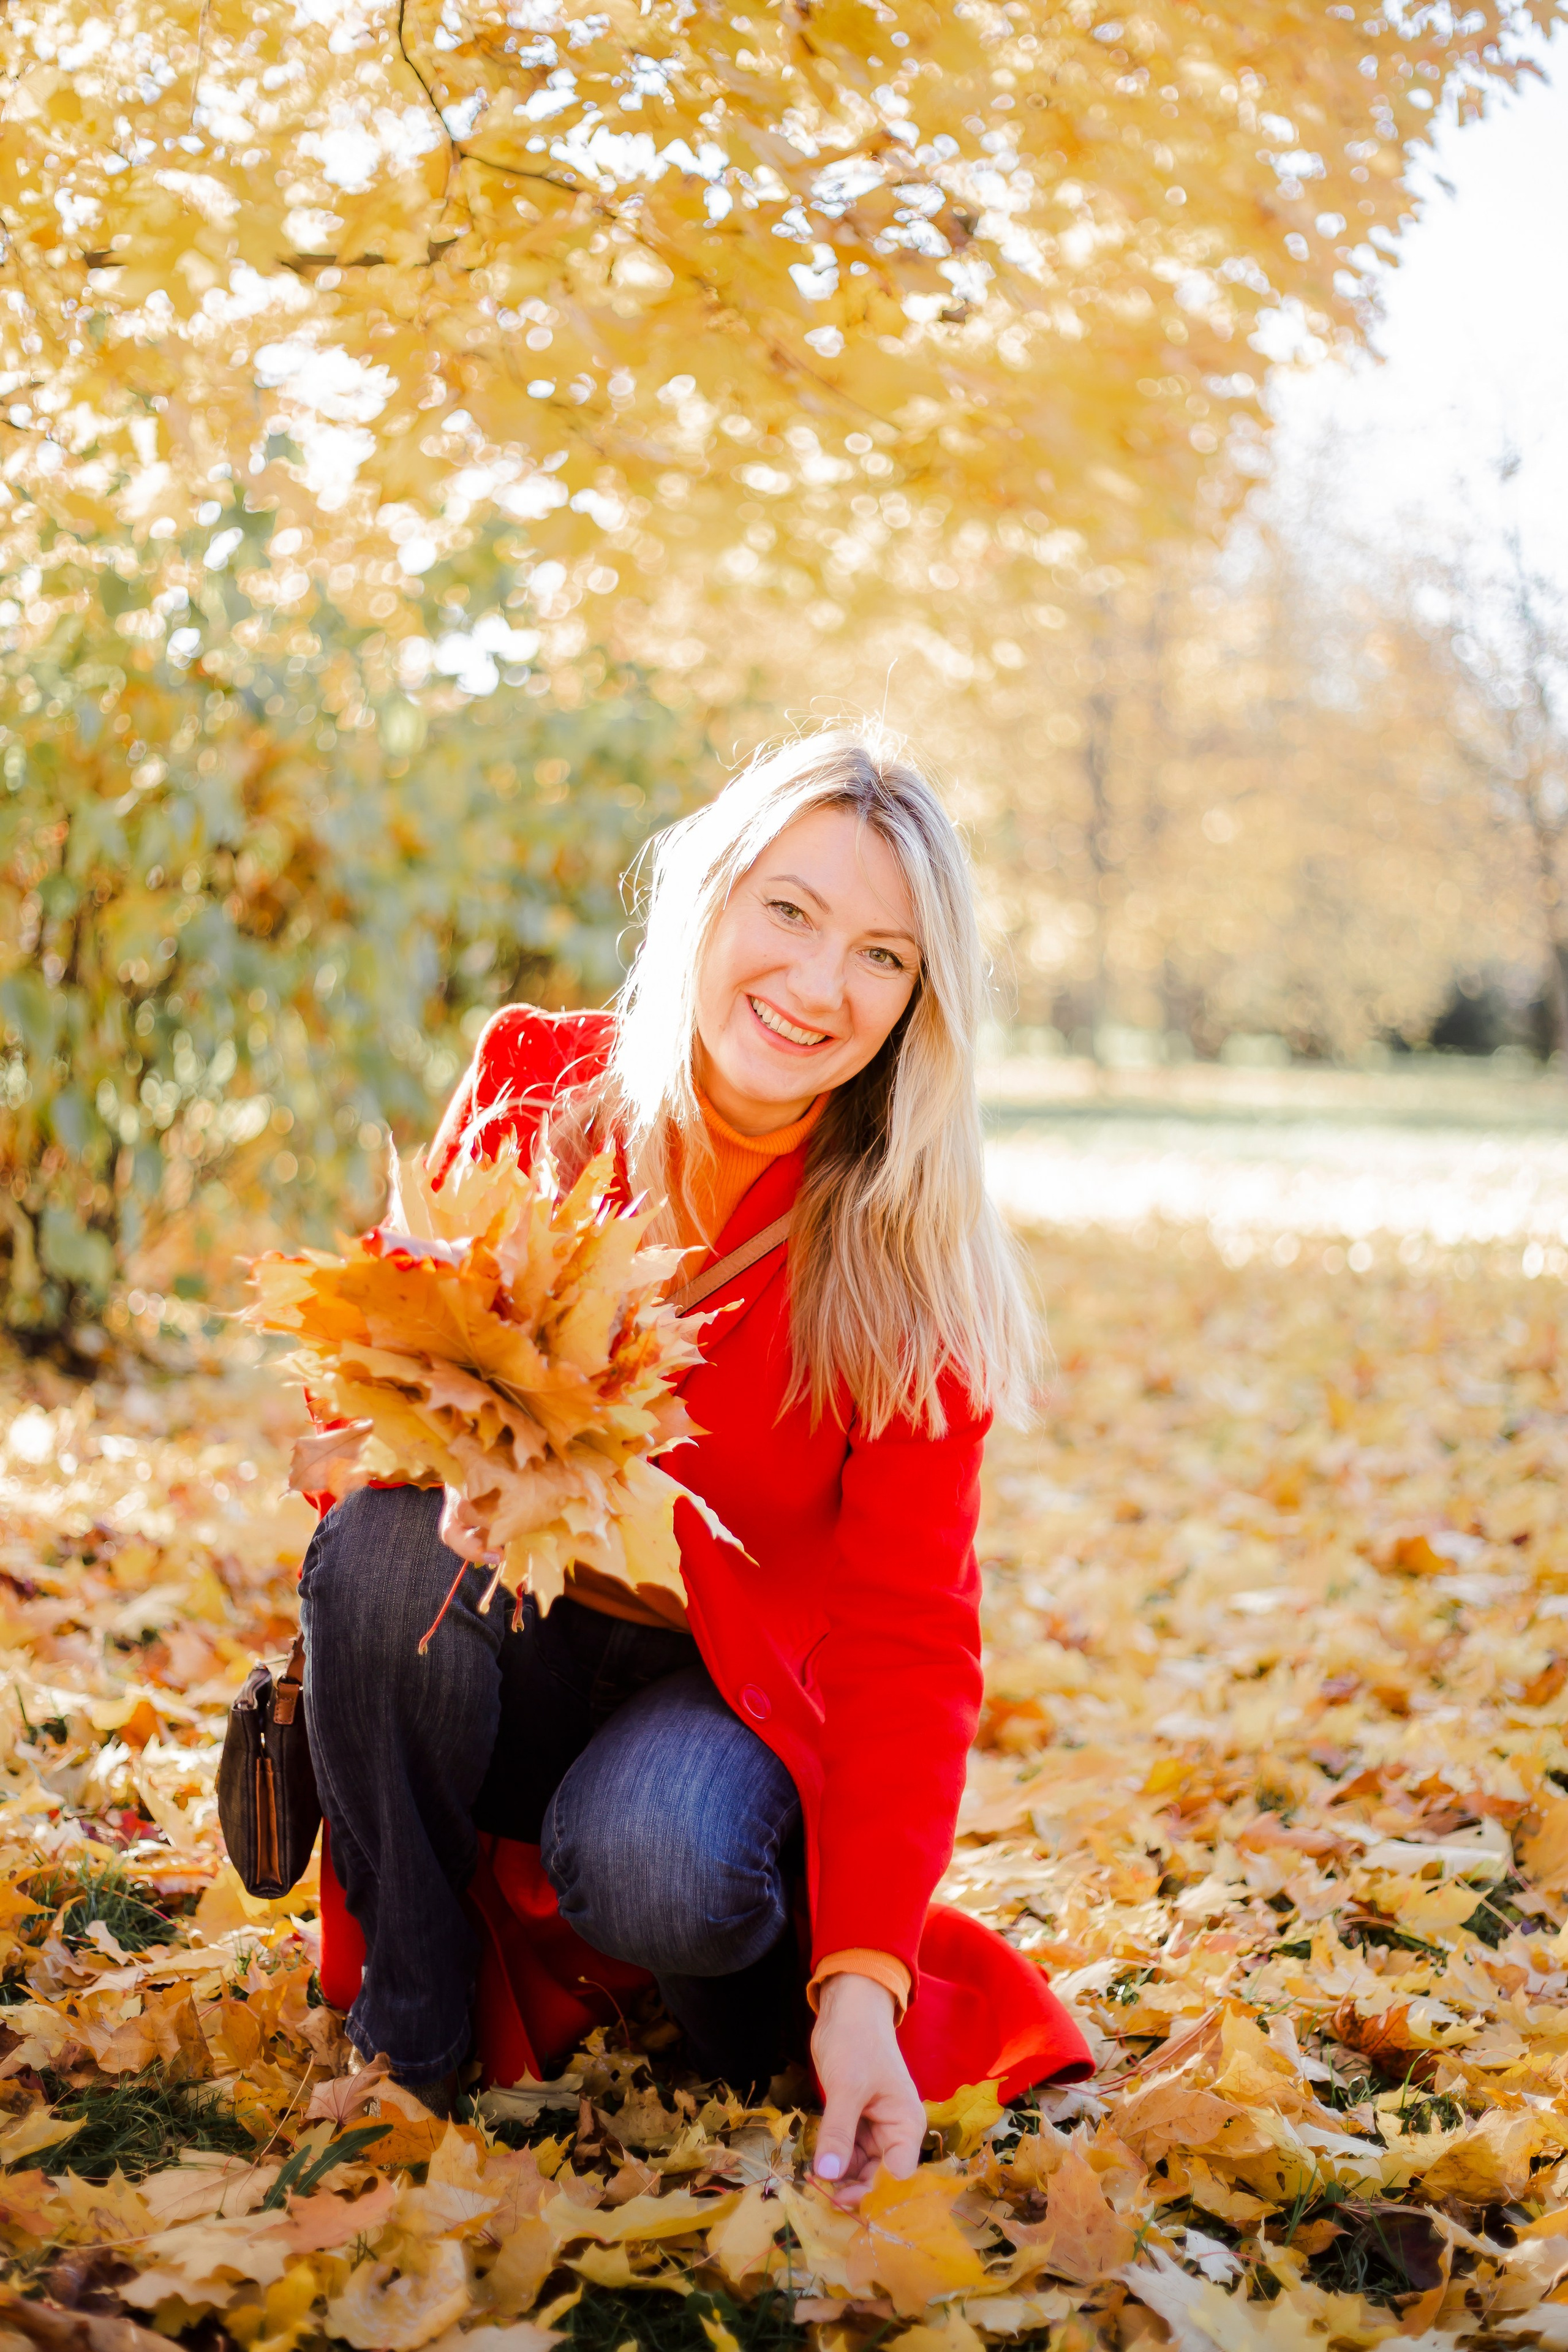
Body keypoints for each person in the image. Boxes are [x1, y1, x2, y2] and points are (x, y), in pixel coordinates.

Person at [300, 727, 1091, 2190]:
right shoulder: (538, 1084)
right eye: (787, 910)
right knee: (374, 1548)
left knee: (660, 1854)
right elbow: (395, 1374)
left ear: (920, 1003)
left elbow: (911, 1639)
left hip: (720, 1704)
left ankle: (747, 1995)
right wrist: (405, 1449)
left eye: (881, 956)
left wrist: (861, 1982)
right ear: (710, 896)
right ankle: (405, 2034)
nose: (814, 986)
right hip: (504, 1642)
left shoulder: (906, 1262)